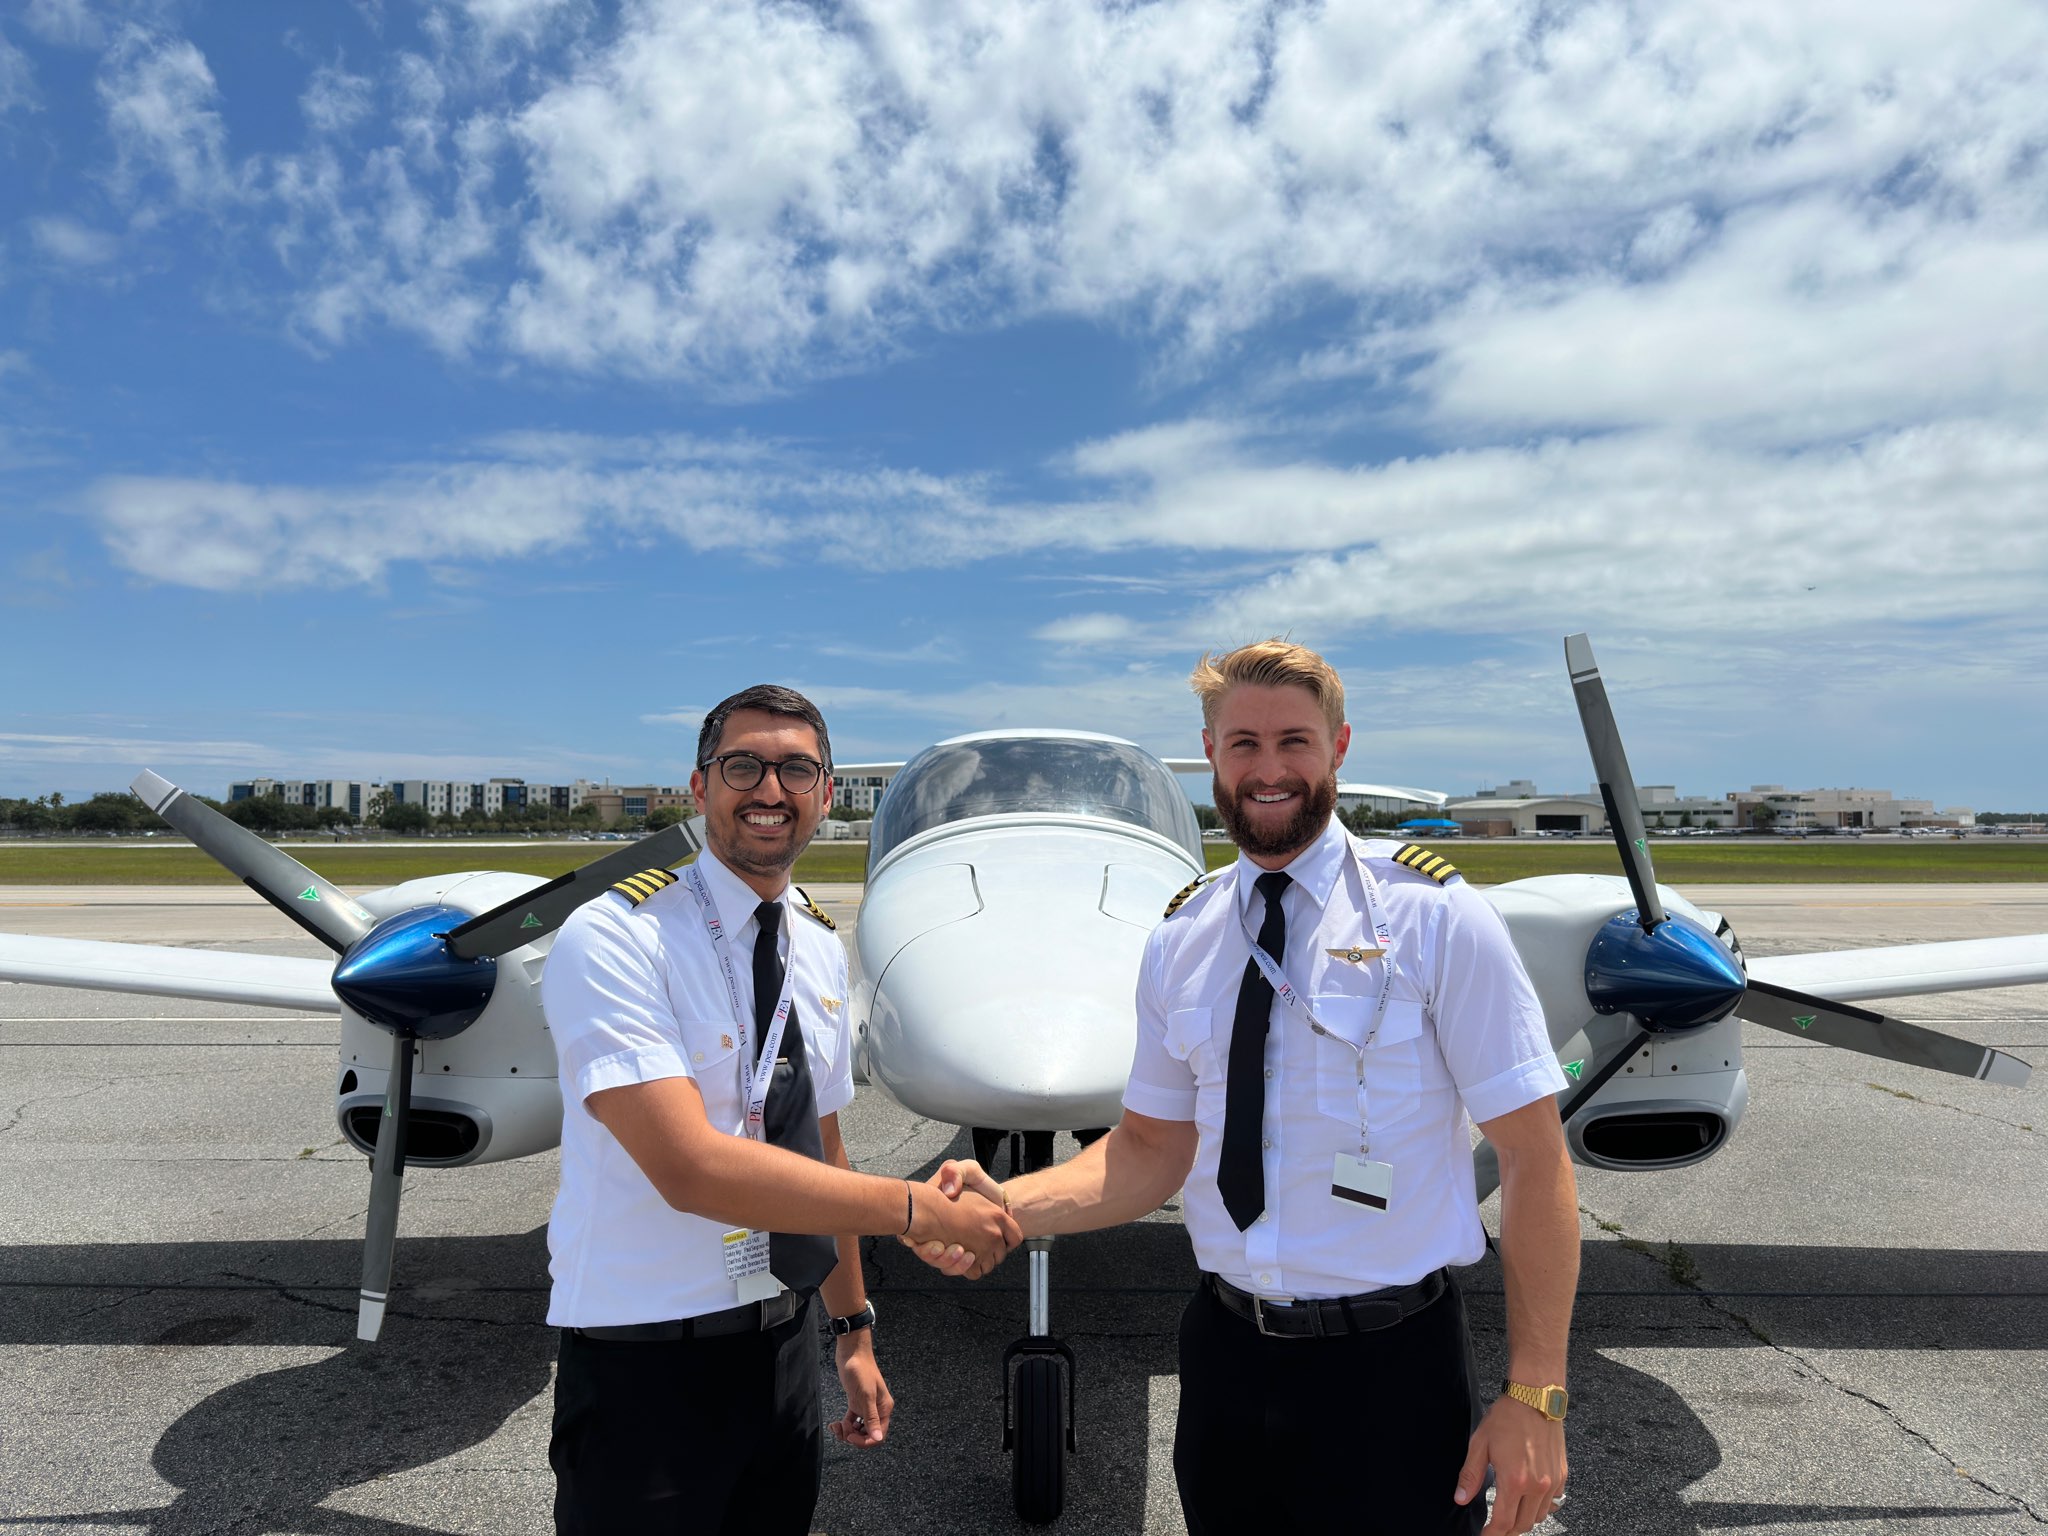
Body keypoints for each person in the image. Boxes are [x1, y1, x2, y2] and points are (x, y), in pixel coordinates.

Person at [923, 641, 1579, 1536]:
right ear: (1211, 755)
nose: (1269, 770)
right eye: (1243, 745)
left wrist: (1536, 1393)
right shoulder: (1182, 937)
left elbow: (1535, 1160)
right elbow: (1152, 1149)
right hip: (1227, 1360)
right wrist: (1004, 1204)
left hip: (1392, 1371)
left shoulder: (1434, 916)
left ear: (1339, 746)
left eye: (1294, 742)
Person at [540, 683, 1020, 1535]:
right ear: (700, 789)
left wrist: (853, 1331)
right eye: (743, 766)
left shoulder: (816, 944)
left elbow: (822, 1152)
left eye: (796, 769)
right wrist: (911, 1208)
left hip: (782, 1355)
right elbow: (687, 1168)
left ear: (827, 795)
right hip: (642, 1367)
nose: (770, 790)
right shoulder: (616, 936)